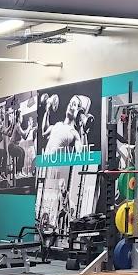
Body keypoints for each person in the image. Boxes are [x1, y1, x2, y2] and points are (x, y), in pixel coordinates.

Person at [37, 95, 88, 234]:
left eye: (75, 105)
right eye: (70, 103)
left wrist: (83, 130)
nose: (71, 105)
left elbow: (80, 154)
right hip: (44, 169)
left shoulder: (75, 133)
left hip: (55, 170)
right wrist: (47, 111)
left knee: (61, 216)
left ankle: (63, 230)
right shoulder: (57, 125)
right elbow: (43, 131)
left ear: (79, 111)